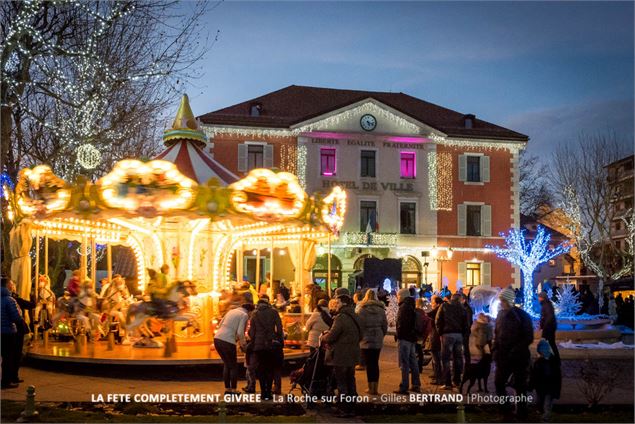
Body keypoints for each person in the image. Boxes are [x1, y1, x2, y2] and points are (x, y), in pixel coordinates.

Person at [494, 286, 534, 417]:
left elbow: (528, 337)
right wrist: (495, 349)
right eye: (501, 300)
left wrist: (515, 350)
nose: (501, 303)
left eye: (503, 300)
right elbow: (497, 333)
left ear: (509, 300)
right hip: (503, 356)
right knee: (499, 383)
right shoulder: (500, 314)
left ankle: (521, 412)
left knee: (520, 386)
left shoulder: (522, 316)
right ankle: (505, 409)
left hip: (518, 357)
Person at [322, 294, 361, 416]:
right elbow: (361, 334)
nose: (336, 305)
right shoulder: (355, 316)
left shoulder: (341, 318)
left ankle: (344, 408)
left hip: (341, 355)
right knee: (351, 381)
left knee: (342, 383)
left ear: (343, 304)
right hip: (353, 353)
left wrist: (323, 337)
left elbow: (332, 336)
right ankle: (352, 407)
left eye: (337, 303)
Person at [214, 292, 253, 394]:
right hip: (227, 341)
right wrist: (243, 345)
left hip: (217, 339)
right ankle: (234, 389)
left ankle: (227, 389)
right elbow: (240, 332)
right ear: (249, 311)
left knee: (227, 364)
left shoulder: (231, 311)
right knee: (233, 366)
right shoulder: (244, 315)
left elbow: (221, 324)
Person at [248, 294, 284, 400]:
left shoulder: (254, 314)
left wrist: (254, 338)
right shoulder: (274, 312)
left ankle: (263, 392)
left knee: (261, 369)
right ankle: (269, 391)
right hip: (271, 344)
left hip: (259, 346)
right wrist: (278, 338)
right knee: (270, 368)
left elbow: (252, 332)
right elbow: (280, 327)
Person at [357, 289, 388, 395]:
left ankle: (370, 387)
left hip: (366, 339)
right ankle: (375, 388)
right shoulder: (381, 309)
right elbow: (385, 325)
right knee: (375, 363)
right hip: (377, 338)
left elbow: (359, 325)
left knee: (369, 364)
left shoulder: (362, 309)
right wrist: (381, 335)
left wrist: (360, 337)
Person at [435, 293, 467, 390]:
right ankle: (456, 382)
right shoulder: (462, 308)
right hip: (458, 335)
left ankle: (447, 383)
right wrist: (463, 334)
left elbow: (438, 320)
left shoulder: (444, 306)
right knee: (458, 358)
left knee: (446, 359)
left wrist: (440, 333)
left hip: (447, 334)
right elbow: (466, 323)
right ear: (459, 299)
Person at [394, 288, 421, 394]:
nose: (397, 298)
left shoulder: (404, 307)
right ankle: (416, 384)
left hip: (404, 338)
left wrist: (398, 335)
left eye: (398, 296)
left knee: (404, 363)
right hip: (411, 337)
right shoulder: (411, 305)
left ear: (402, 296)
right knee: (413, 362)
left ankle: (404, 386)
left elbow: (402, 323)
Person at [7, 279, 34, 385]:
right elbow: (17, 316)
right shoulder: (13, 300)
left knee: (9, 355)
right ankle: (11, 377)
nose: (14, 286)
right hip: (15, 330)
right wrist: (33, 296)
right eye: (12, 285)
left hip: (8, 330)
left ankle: (11, 377)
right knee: (15, 354)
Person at [1, 276, 26, 389]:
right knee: (8, 357)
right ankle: (6, 381)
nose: (12, 285)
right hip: (7, 332)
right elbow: (16, 317)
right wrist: (23, 327)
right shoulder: (9, 300)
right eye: (11, 283)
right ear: (7, 285)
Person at [529, 339, 561, 421]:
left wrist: (531, 386)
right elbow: (534, 376)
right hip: (543, 388)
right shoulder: (548, 362)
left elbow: (534, 376)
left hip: (548, 388)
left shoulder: (549, 362)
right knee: (542, 403)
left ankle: (545, 418)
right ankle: (543, 415)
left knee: (546, 405)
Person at [426, 296, 443, 385]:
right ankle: (436, 374)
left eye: (432, 302)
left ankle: (438, 377)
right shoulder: (440, 310)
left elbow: (427, 315)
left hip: (436, 337)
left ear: (437, 303)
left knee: (436, 358)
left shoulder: (437, 311)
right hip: (436, 337)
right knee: (435, 358)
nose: (431, 304)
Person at [538, 291, 559, 360]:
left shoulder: (546, 305)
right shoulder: (546, 304)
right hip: (549, 327)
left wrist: (544, 326)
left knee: (548, 343)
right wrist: (541, 325)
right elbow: (544, 317)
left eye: (539, 297)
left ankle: (548, 358)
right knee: (550, 343)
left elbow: (548, 317)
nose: (538, 298)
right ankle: (552, 358)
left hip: (549, 327)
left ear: (542, 298)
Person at [460, 293, 474, 364]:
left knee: (465, 349)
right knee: (464, 349)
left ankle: (467, 364)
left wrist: (464, 329)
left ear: (464, 300)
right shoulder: (464, 308)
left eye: (460, 300)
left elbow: (468, 322)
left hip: (465, 332)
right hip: (464, 331)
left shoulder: (467, 309)